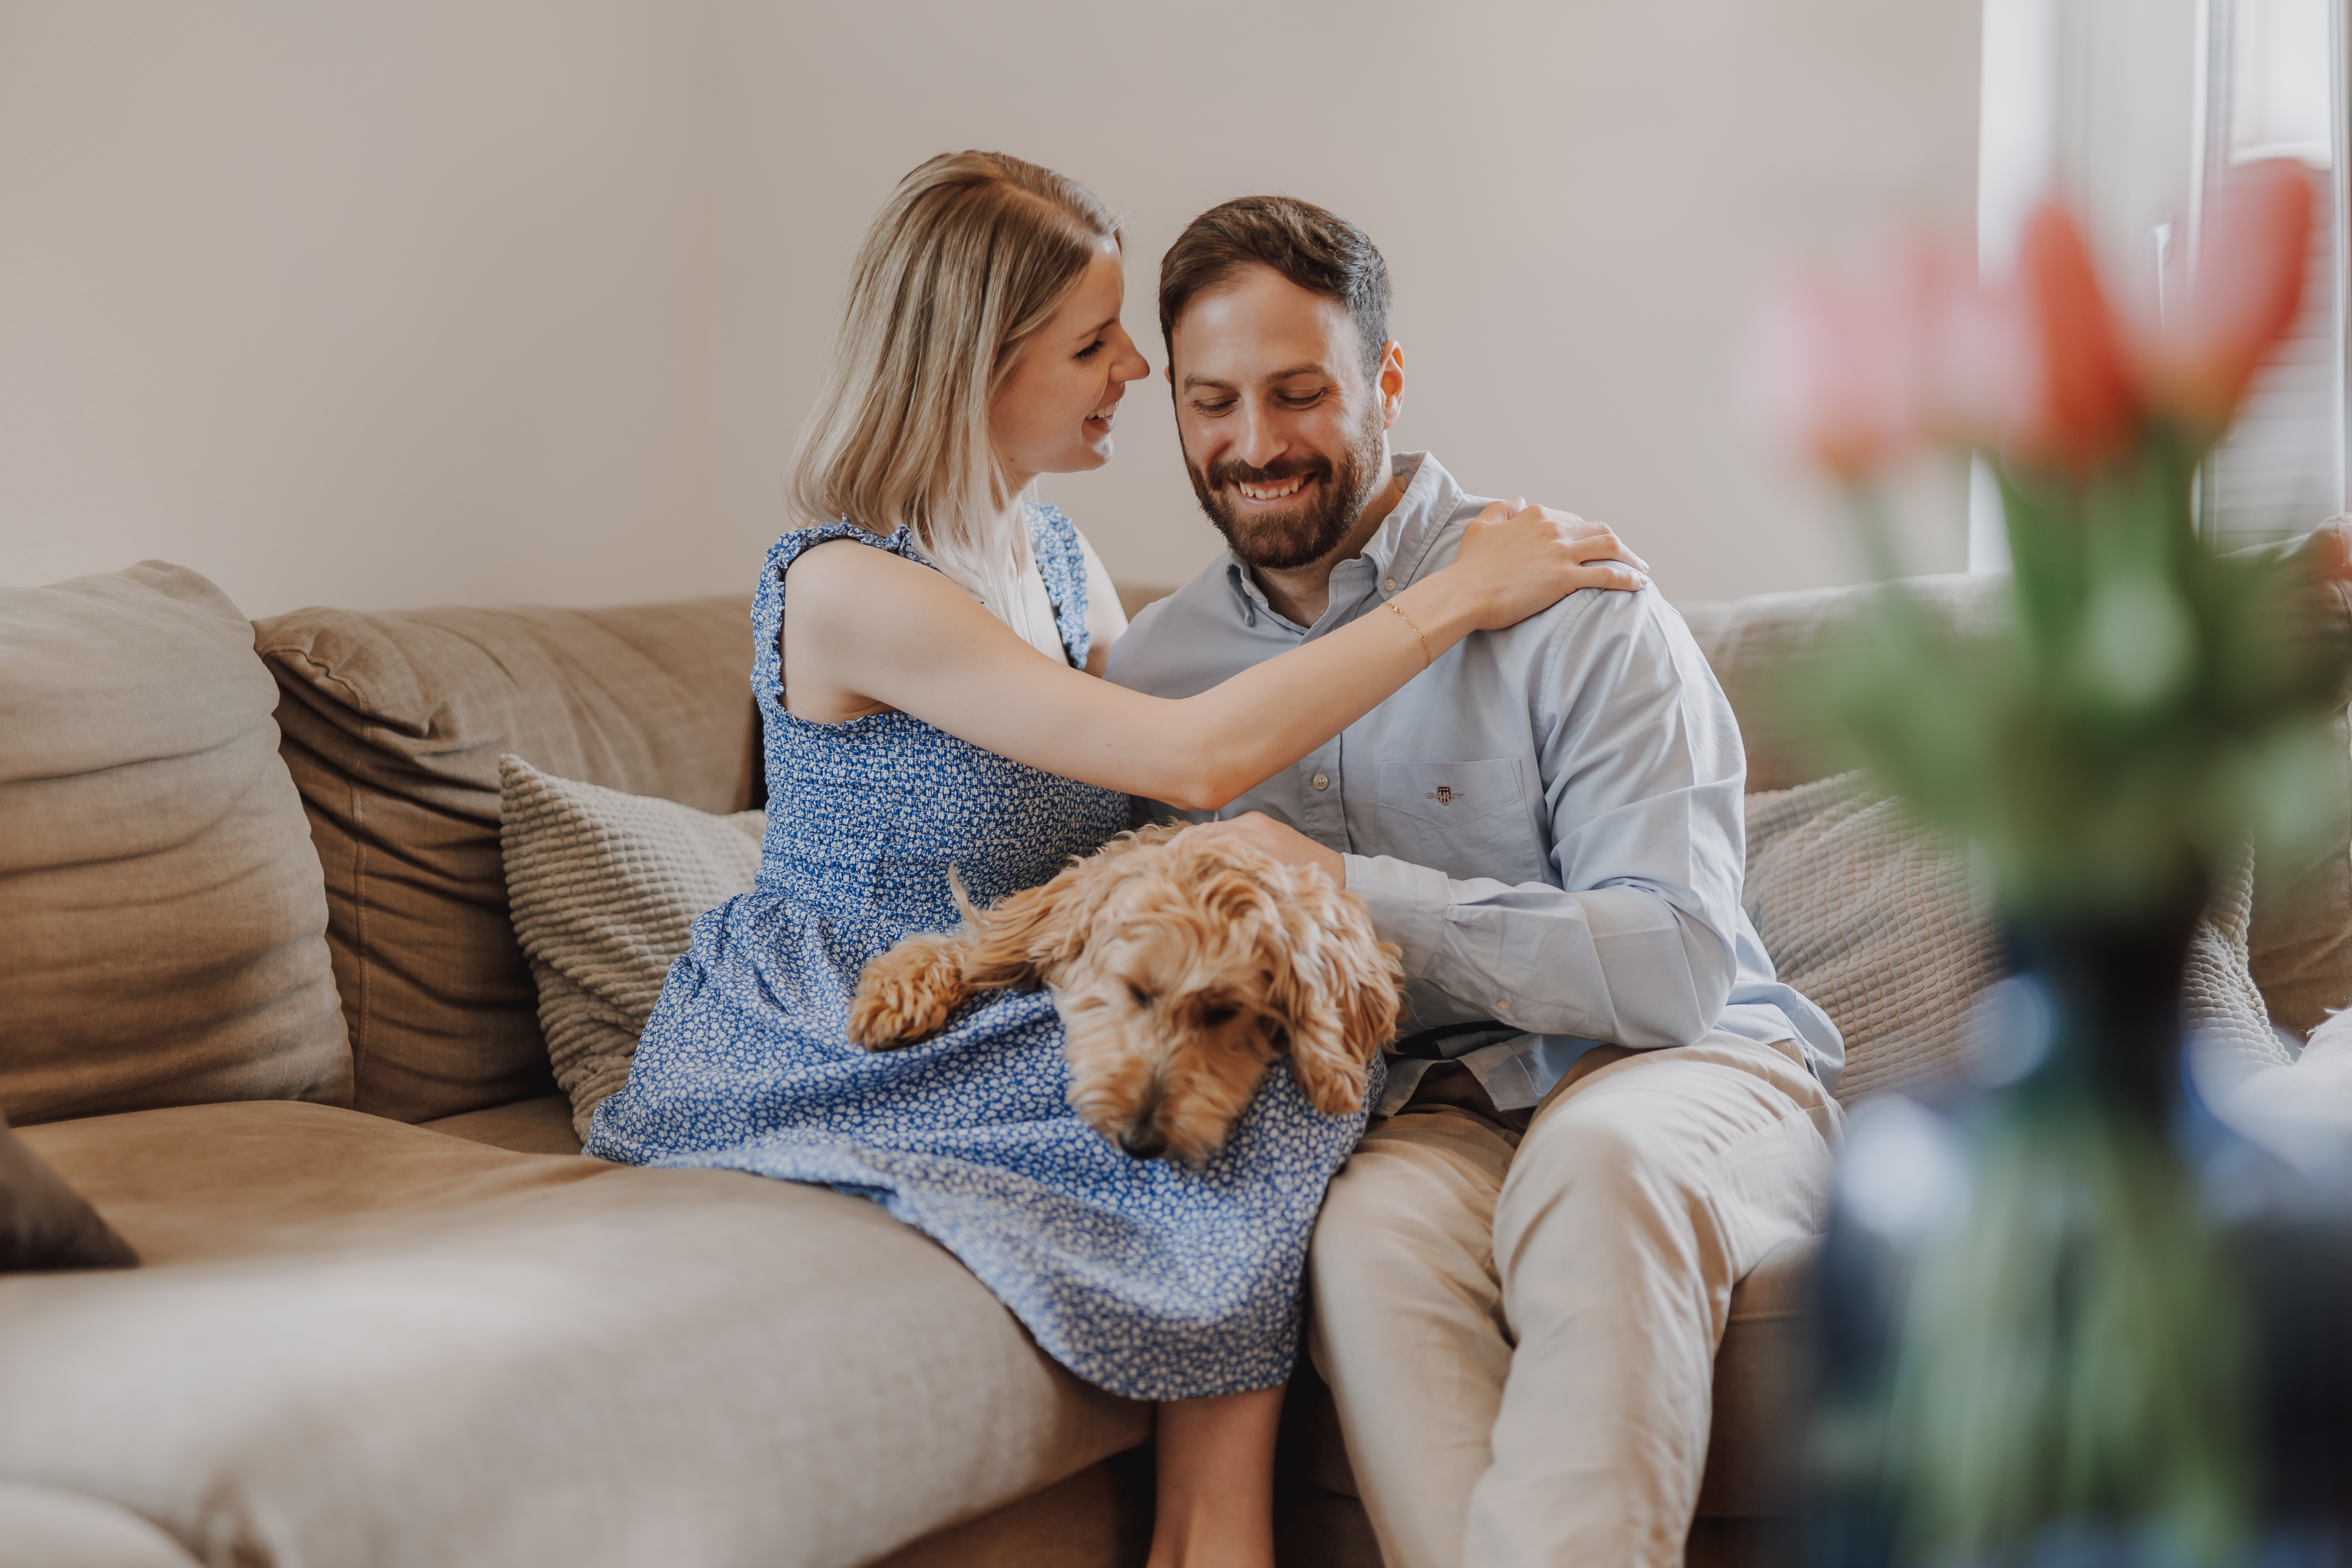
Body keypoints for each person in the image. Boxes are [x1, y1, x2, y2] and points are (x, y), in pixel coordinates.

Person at [582, 152, 1646, 1568]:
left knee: (1249, 1054)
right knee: (1259, 1093)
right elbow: (1191, 762)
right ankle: (1219, 1533)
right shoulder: (845, 585)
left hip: (1017, 988)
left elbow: (1160, 830)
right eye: (1093, 345)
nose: (1135, 371)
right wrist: (1454, 599)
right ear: (978, 360)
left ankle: (1211, 1526)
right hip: (846, 1013)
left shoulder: (1062, 559)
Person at [1104, 195, 1847, 1568]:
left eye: (1300, 392)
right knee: (1363, 1244)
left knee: (1598, 1167)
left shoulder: (1572, 596)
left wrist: (1343, 893)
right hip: (1417, 1118)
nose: (1254, 444)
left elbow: (1679, 967)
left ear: (1386, 379)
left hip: (1679, 1073)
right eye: (1212, 402)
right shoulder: (1157, 677)